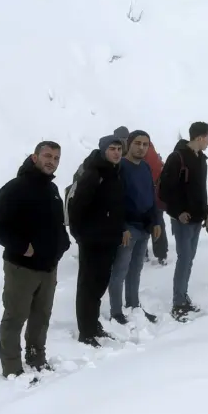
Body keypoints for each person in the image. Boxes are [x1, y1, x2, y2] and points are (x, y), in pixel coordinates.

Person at [0, 141, 71, 380]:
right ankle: (12, 367)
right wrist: (23, 247)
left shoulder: (52, 190)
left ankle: (36, 357)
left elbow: (57, 224)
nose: (51, 161)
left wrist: (63, 244)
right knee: (15, 317)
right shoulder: (16, 188)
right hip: (21, 268)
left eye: (56, 158)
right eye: (47, 156)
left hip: (48, 267)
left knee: (41, 317)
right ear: (35, 157)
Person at [69, 135, 127, 346]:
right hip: (92, 242)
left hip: (109, 240)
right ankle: (86, 331)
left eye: (119, 149)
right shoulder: (93, 174)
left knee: (99, 284)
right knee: (88, 286)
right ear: (103, 150)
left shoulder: (114, 173)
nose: (116, 153)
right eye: (112, 149)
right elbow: (76, 209)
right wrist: (83, 237)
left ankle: (93, 325)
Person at [160, 122, 208, 319]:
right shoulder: (177, 157)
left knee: (189, 260)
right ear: (199, 137)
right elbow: (166, 189)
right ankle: (178, 302)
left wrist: (206, 212)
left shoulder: (201, 159)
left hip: (197, 217)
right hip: (182, 219)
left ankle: (183, 296)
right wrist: (178, 211)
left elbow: (201, 190)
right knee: (184, 259)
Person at [111, 130, 161, 325]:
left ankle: (134, 306)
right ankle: (116, 312)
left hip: (144, 226)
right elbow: (115, 201)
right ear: (129, 144)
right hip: (127, 227)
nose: (141, 148)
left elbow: (151, 196)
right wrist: (122, 226)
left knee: (136, 269)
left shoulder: (146, 167)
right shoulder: (120, 166)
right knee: (120, 270)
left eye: (145, 144)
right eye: (137, 143)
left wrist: (156, 221)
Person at [145, 136, 169, 266]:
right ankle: (161, 255)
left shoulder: (139, 153)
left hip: (146, 197)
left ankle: (143, 253)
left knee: (142, 225)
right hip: (157, 197)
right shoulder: (153, 152)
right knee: (158, 224)